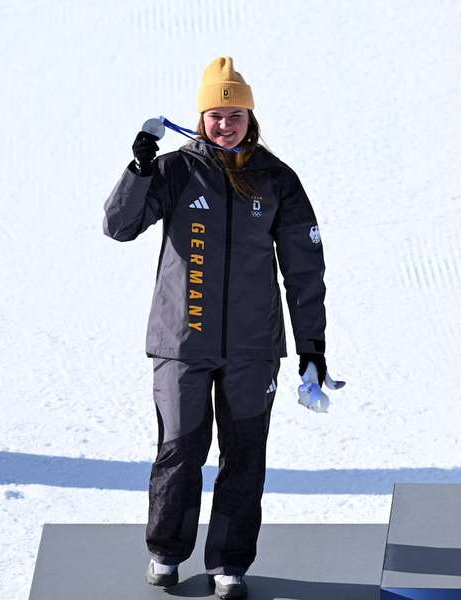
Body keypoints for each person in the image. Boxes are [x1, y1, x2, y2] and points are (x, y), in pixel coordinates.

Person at [103, 57, 332, 599]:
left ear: (250, 117)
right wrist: (139, 167)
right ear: (200, 117)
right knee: (181, 447)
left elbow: (304, 269)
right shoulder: (177, 169)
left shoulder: (277, 178)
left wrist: (312, 346)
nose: (224, 124)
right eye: (214, 114)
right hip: (181, 342)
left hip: (253, 348)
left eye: (235, 113)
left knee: (244, 452)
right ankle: (165, 551)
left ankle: (230, 562)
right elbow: (118, 225)